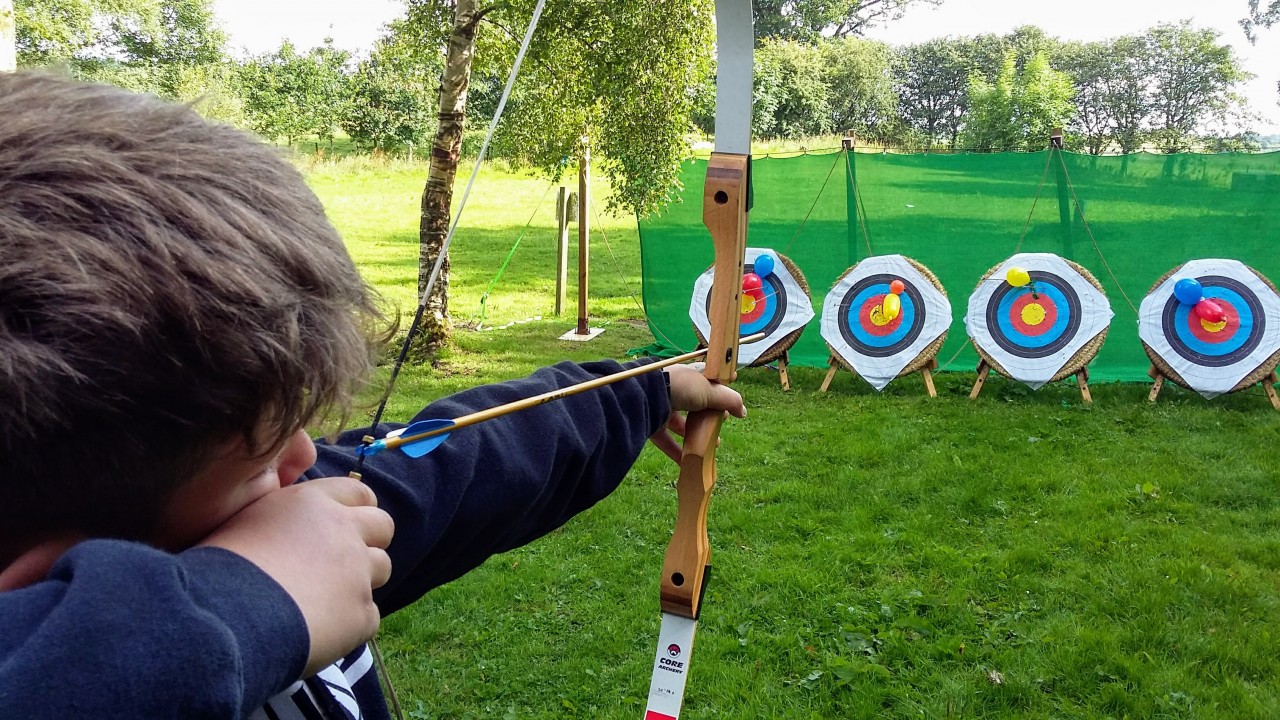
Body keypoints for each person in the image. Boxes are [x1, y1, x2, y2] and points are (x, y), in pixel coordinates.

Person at [0, 71, 746, 719]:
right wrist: (252, 605)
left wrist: (630, 392)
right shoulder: (232, 592)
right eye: (256, 461)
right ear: (53, 560)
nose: (305, 458)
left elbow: (455, 465)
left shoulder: (281, 523)